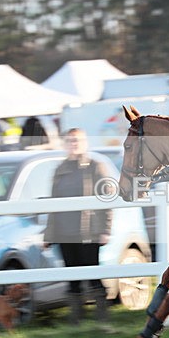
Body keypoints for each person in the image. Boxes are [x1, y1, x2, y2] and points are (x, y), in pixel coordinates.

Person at [44, 128, 113, 325]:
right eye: (70, 140)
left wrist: (105, 230)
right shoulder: (59, 169)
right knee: (71, 276)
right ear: (65, 144)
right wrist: (48, 235)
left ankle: (102, 319)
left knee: (92, 274)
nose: (74, 144)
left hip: (89, 231)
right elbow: (52, 203)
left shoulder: (95, 166)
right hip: (64, 232)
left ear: (85, 143)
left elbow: (106, 200)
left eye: (77, 140)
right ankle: (76, 321)